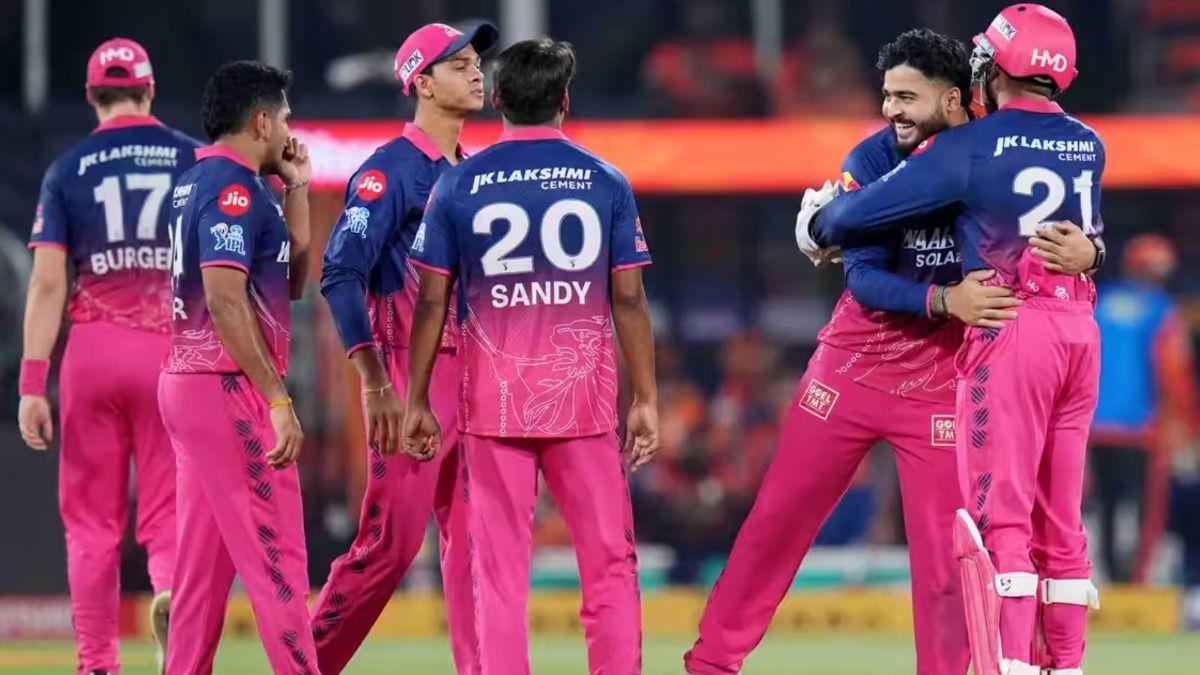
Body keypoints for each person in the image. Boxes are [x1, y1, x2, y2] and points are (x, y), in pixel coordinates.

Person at [685, 28, 1087, 675]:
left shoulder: (995, 157)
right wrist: (942, 301)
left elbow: (1063, 237)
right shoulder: (872, 159)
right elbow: (862, 276)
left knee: (945, 565)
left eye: (907, 96)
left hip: (943, 385)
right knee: (774, 525)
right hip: (850, 370)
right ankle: (709, 663)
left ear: (955, 98)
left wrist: (1088, 254)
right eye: (887, 95)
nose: (892, 110)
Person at [802, 5, 1105, 674]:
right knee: (1063, 516)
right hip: (1081, 334)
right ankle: (1068, 664)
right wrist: (1096, 252)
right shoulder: (1089, 141)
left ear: (996, 68)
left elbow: (863, 212)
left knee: (1004, 515)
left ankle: (1012, 665)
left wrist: (821, 222)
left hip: (1009, 326)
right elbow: (1086, 241)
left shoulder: (970, 145)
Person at [401, 38, 660, 675]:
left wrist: (415, 399)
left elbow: (431, 305)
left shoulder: (458, 184)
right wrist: (647, 399)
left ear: (496, 101)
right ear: (565, 101)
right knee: (608, 564)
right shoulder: (605, 181)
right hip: (587, 408)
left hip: (493, 410)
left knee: (498, 573)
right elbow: (628, 302)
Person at [313, 21, 497, 675]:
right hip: (409, 372)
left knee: (478, 548)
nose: (478, 73)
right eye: (460, 65)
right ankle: (304, 664)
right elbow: (339, 273)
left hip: (477, 381)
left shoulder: (478, 175)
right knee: (389, 547)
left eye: (479, 63)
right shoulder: (388, 171)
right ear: (420, 81)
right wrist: (374, 380)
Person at [18, 37, 200, 675]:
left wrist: (32, 384)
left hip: (92, 353)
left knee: (91, 525)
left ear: (94, 98)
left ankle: (97, 662)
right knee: (170, 509)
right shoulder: (192, 159)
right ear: (149, 92)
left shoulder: (67, 169)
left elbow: (46, 284)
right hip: (170, 353)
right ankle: (174, 599)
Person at [159, 60, 315, 674]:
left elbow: (291, 283)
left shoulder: (206, 183)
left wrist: (296, 185)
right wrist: (278, 400)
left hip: (191, 384)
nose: (287, 132)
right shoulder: (233, 190)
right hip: (226, 388)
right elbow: (225, 301)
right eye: (283, 119)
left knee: (202, 569)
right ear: (259, 120)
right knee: (279, 560)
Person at [1091, 234, 1197, 584]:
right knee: (1144, 506)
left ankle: (1107, 574)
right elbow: (1173, 372)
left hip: (1095, 422)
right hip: (1142, 426)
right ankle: (1135, 581)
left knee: (1106, 502)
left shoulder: (1099, 302)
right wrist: (1188, 424)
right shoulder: (1162, 311)